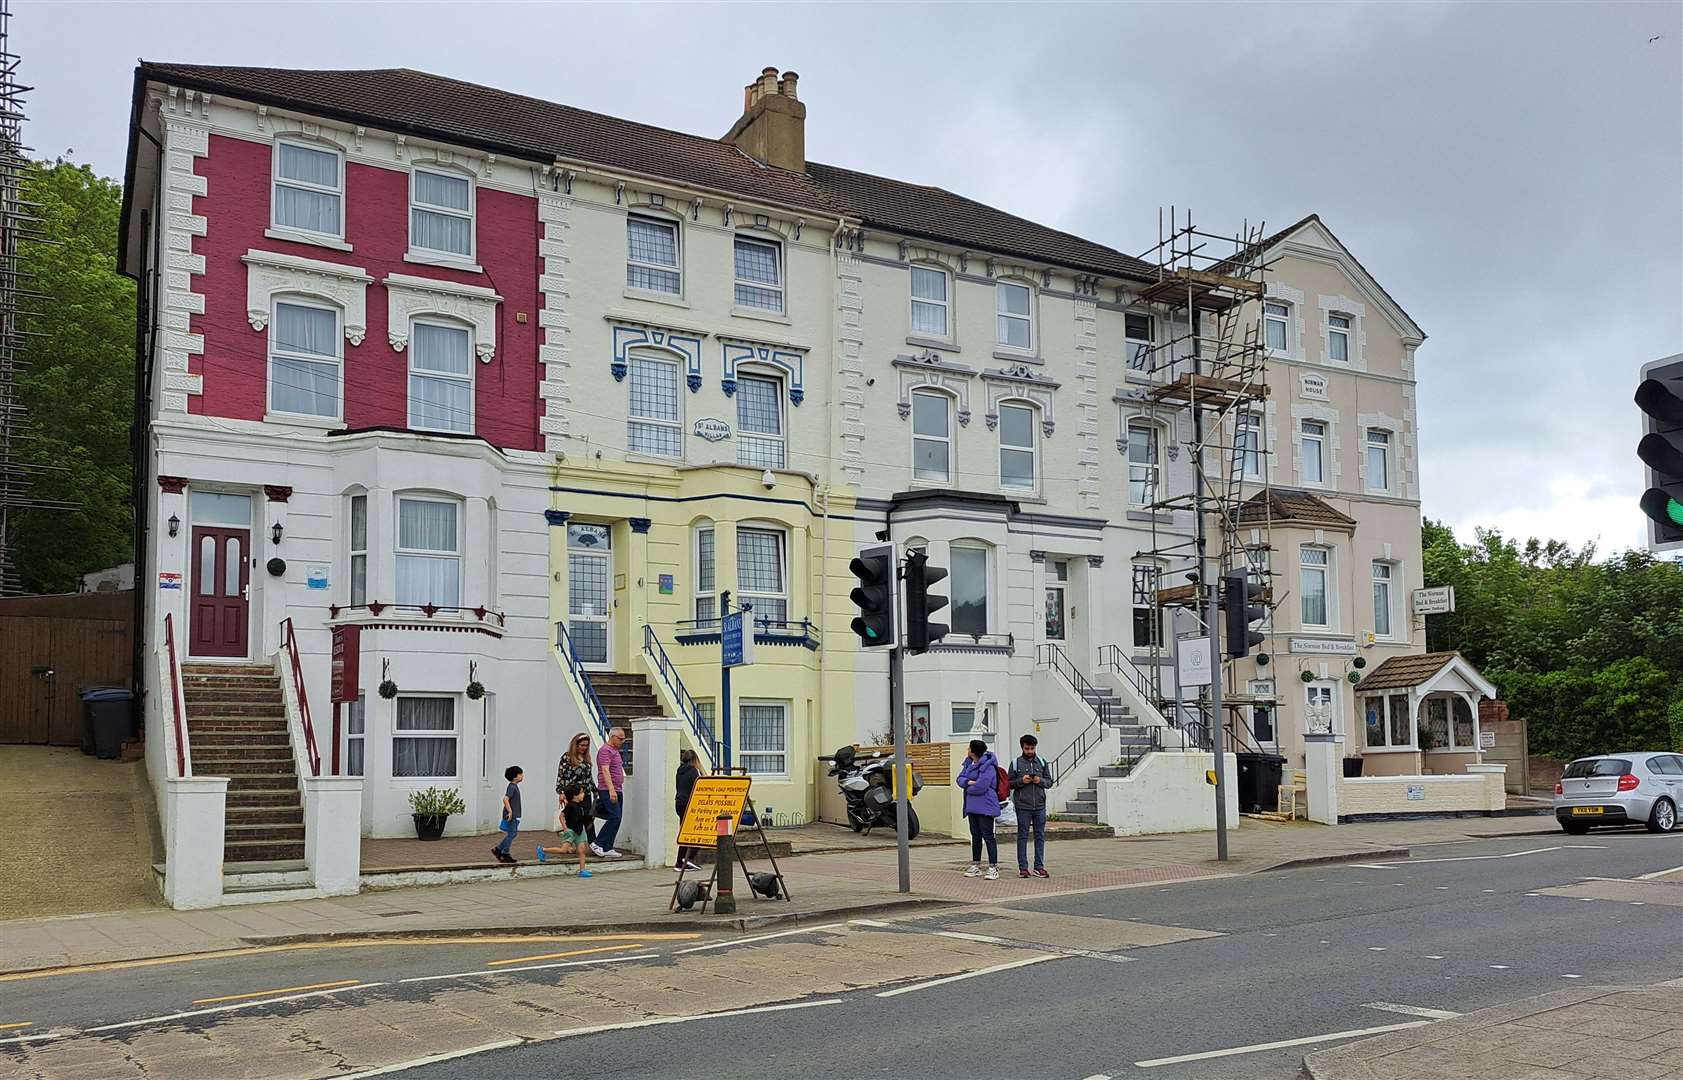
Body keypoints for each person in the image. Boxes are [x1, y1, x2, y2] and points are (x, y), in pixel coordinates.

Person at [955, 738, 1001, 880]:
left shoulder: (988, 766)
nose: (967, 750)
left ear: (973, 751)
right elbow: (959, 779)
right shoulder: (968, 764)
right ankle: (976, 864)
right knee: (975, 835)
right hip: (972, 806)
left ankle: (993, 867)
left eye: (969, 748)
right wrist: (969, 782)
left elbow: (982, 786)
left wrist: (967, 787)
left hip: (986, 806)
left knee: (988, 836)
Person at [1009, 734, 1052, 878]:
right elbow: (1009, 783)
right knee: (1022, 836)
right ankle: (1023, 868)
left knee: (1040, 836)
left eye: (1032, 748)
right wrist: (1022, 781)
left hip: (1040, 805)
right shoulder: (1015, 763)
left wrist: (1039, 780)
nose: (1029, 751)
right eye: (1027, 748)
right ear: (1022, 747)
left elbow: (1050, 782)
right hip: (1023, 806)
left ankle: (1039, 867)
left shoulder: (1042, 762)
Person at [537, 784, 593, 877]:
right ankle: (543, 849)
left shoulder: (580, 805)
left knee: (582, 850)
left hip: (579, 831)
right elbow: (561, 816)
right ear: (575, 795)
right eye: (581, 793)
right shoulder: (570, 806)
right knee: (563, 850)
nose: (583, 794)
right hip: (570, 831)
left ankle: (582, 870)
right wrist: (565, 828)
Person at [556, 732, 597, 849]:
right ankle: (570, 844)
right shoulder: (567, 757)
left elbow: (589, 777)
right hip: (573, 793)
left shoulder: (586, 758)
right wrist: (561, 792)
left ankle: (592, 843)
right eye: (582, 745)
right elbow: (561, 776)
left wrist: (595, 790)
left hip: (585, 793)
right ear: (576, 745)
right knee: (573, 819)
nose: (584, 748)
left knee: (588, 818)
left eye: (586, 745)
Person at [593, 727, 628, 858]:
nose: (622, 741)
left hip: (617, 788)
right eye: (620, 738)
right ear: (612, 737)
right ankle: (598, 843)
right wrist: (611, 789)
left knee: (617, 818)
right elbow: (605, 770)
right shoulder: (605, 751)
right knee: (615, 817)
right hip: (608, 789)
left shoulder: (615, 751)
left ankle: (607, 846)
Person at [674, 748, 702, 872]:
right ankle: (688, 858)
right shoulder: (695, 771)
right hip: (690, 804)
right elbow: (699, 788)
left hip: (679, 803)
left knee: (685, 832)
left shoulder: (679, 770)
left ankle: (680, 862)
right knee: (698, 831)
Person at [493, 765, 523, 864]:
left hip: (514, 815)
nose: (522, 776)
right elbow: (505, 799)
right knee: (512, 834)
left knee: (512, 834)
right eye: (520, 774)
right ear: (515, 777)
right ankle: (504, 853)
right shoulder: (512, 787)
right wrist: (510, 811)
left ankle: (498, 849)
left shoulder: (514, 786)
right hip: (511, 815)